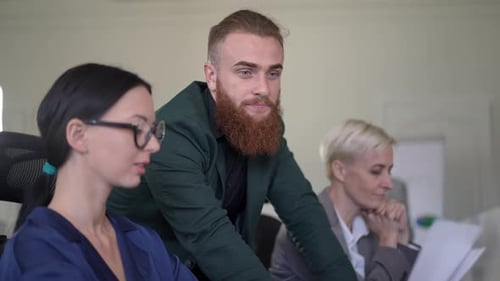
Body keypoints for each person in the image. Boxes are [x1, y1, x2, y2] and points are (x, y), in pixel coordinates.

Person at [107, 9, 357, 281]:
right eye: (246, 72)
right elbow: (209, 235)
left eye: (273, 73)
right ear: (212, 77)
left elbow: (305, 215)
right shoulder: (173, 134)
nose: (263, 87)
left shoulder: (265, 126)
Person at [0, 63, 197, 281]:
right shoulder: (34, 255)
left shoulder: (141, 240)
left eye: (153, 131)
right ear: (79, 135)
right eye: (137, 128)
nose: (154, 145)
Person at [271, 119, 420, 281]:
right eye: (376, 171)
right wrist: (388, 242)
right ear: (340, 171)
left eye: (389, 171)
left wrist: (402, 238)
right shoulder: (307, 226)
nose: (388, 184)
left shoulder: (373, 223)